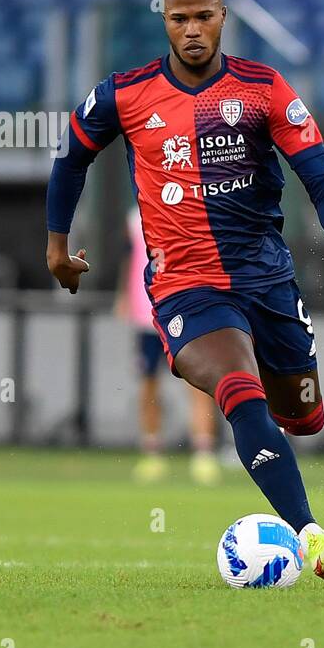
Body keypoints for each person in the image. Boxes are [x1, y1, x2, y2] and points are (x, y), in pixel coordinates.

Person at [46, 0, 324, 584]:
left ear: (223, 17)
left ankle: (286, 439)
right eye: (180, 19)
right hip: (184, 285)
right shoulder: (126, 92)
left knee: (303, 415)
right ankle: (310, 535)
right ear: (164, 21)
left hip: (267, 280)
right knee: (237, 386)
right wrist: (57, 244)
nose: (192, 30)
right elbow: (70, 158)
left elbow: (322, 178)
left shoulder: (264, 88)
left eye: (204, 17)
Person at [117, 205, 224, 486]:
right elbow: (130, 259)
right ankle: (152, 452)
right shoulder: (134, 217)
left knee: (197, 383)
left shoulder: (190, 205)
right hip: (146, 316)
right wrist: (124, 296)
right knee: (149, 383)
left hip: (183, 311)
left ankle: (203, 453)